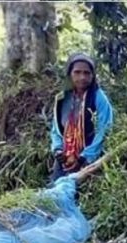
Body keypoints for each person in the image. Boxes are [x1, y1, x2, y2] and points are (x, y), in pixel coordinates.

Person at [50, 52, 114, 182]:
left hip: (90, 160)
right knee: (53, 193)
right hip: (65, 158)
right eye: (77, 72)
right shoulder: (62, 98)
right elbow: (55, 129)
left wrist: (84, 158)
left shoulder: (99, 98)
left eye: (86, 73)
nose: (82, 77)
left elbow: (104, 130)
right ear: (69, 75)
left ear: (93, 75)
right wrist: (58, 150)